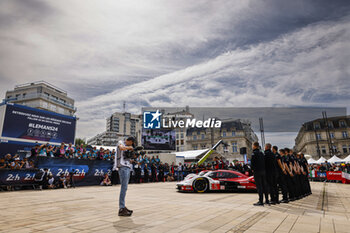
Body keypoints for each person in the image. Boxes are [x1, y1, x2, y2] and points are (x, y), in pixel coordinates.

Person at [114, 137, 135, 217]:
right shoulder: (121, 142)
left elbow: (127, 157)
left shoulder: (128, 146)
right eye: (131, 143)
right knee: (124, 187)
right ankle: (121, 208)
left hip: (127, 167)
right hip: (122, 167)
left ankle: (123, 207)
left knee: (125, 188)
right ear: (129, 141)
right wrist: (130, 148)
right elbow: (121, 148)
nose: (131, 145)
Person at [251, 142, 268, 206]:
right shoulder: (262, 153)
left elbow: (252, 164)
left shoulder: (253, 154)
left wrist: (252, 169)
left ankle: (261, 201)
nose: (252, 146)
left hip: (257, 171)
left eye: (252, 145)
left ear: (255, 146)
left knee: (259, 186)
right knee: (264, 186)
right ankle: (267, 200)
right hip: (263, 171)